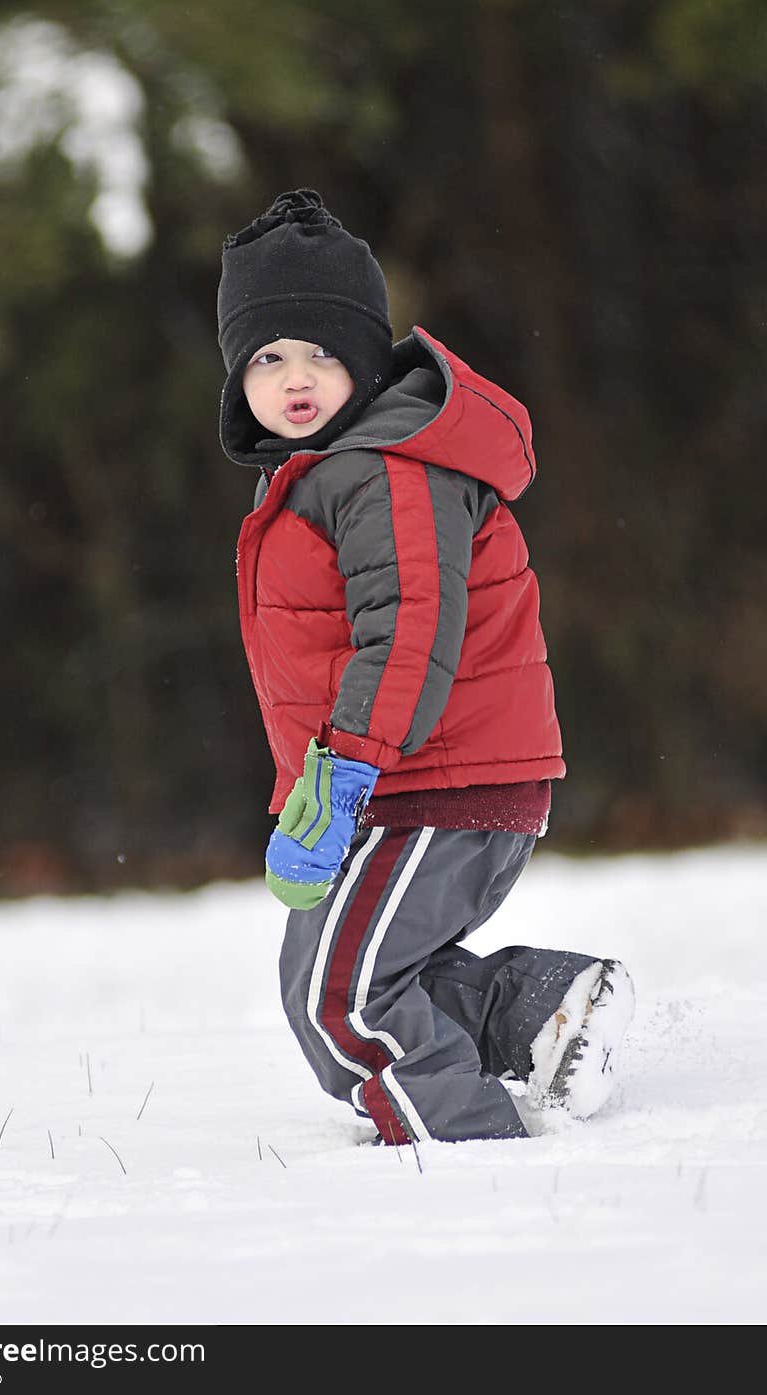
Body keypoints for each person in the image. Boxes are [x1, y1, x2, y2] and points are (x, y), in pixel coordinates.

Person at [216, 188, 634, 1143]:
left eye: (324, 352)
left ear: (368, 361)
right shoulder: (326, 473)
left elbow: (409, 626)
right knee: (323, 977)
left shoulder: (383, 471)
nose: (296, 377)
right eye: (268, 356)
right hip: (400, 778)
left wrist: (348, 764)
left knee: (340, 998)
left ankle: (459, 1145)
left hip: (428, 778)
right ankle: (542, 1007)